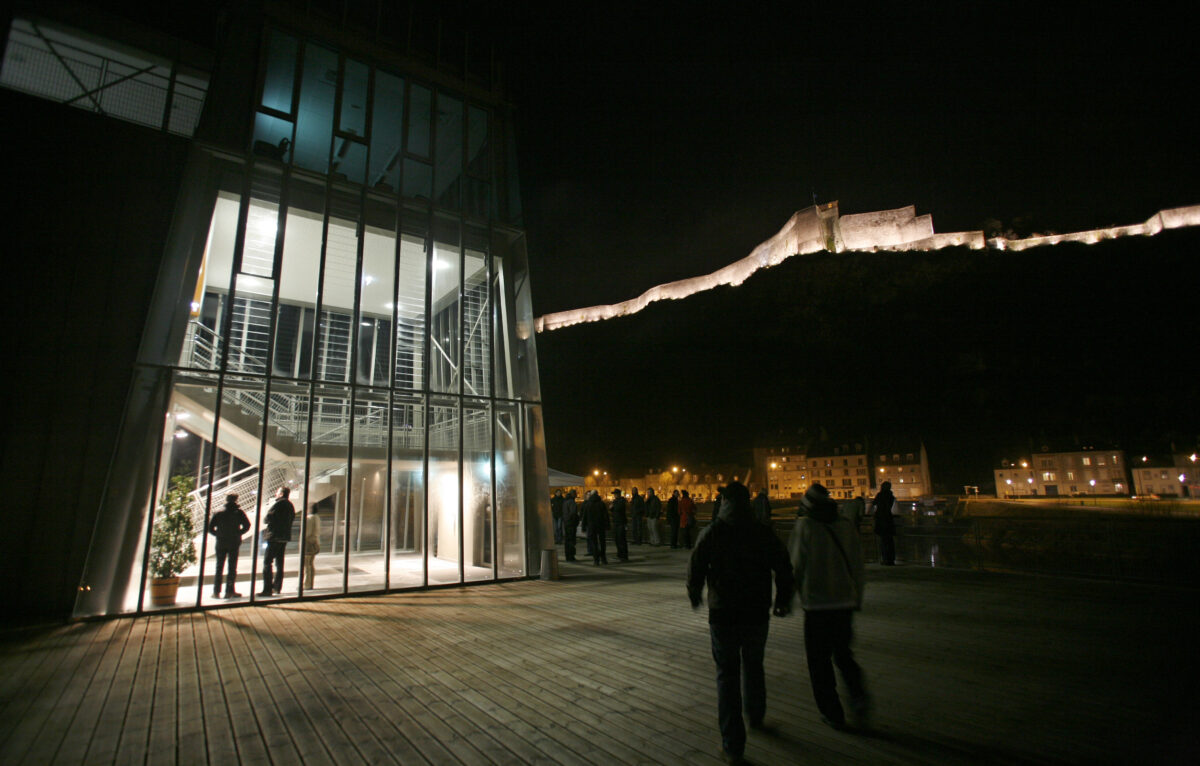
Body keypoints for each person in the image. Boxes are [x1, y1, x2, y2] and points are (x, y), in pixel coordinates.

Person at [687, 481, 794, 764]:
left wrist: (695, 594)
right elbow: (783, 565)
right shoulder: (762, 532)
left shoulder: (714, 532)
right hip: (756, 610)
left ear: (724, 501)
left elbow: (696, 565)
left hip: (723, 613)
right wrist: (783, 598)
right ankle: (756, 715)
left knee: (727, 675)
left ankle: (733, 745)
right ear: (748, 503)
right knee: (754, 663)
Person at [789, 482, 869, 730]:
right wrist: (857, 597)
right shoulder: (845, 526)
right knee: (844, 655)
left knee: (819, 662)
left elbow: (795, 566)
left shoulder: (805, 526)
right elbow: (857, 564)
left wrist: (786, 597)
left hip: (816, 605)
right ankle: (858, 696)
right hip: (844, 602)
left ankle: (832, 711)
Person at [207, 493, 250, 598]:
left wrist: (218, 534)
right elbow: (247, 525)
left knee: (219, 566)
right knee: (232, 567)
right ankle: (229, 591)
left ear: (226, 500)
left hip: (221, 542)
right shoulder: (239, 512)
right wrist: (239, 533)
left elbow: (210, 528)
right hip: (234, 542)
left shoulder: (218, 512)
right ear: (236, 500)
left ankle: (216, 592)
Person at [259, 486, 296, 596]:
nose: (276, 494)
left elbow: (267, 519)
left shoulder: (278, 504)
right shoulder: (290, 506)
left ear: (281, 494)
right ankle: (277, 587)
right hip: (284, 537)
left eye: (277, 492)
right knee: (279, 564)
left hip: (274, 536)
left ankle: (267, 589)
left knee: (267, 563)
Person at [581, 490, 609, 565]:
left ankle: (596, 560)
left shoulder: (588, 504)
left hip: (591, 526)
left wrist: (583, 526)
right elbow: (606, 515)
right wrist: (607, 525)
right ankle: (603, 558)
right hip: (601, 525)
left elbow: (585, 516)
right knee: (602, 542)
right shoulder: (601, 503)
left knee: (594, 543)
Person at [872, 480, 896, 565]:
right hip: (888, 519)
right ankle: (891, 559)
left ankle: (885, 558)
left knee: (883, 540)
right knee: (889, 540)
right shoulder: (891, 496)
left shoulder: (880, 495)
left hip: (880, 519)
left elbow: (874, 503)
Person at [302, 504, 321, 590]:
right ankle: (310, 583)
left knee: (306, 565)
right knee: (310, 564)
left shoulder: (309, 518)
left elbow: (306, 533)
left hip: (308, 544)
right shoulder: (317, 518)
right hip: (315, 542)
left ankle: (306, 584)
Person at [610, 489, 629, 561]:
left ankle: (624, 556)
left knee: (621, 539)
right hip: (616, 522)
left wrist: (613, 506)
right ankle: (619, 554)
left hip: (621, 522)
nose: (614, 495)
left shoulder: (621, 501)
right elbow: (611, 508)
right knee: (617, 539)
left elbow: (618, 509)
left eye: (615, 494)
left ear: (619, 494)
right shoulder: (615, 501)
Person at [562, 489, 580, 561]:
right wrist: (576, 521)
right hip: (571, 524)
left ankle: (568, 556)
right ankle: (571, 556)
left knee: (567, 540)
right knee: (571, 540)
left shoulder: (565, 502)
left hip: (566, 523)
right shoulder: (572, 502)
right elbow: (573, 514)